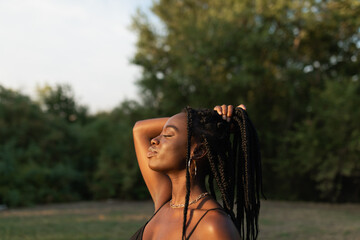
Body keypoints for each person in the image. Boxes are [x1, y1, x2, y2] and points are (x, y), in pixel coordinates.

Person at [130, 104, 263, 240]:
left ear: (198, 151)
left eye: (168, 134)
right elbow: (139, 129)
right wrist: (213, 122)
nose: (154, 140)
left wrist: (203, 126)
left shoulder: (214, 225)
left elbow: (140, 130)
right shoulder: (165, 201)